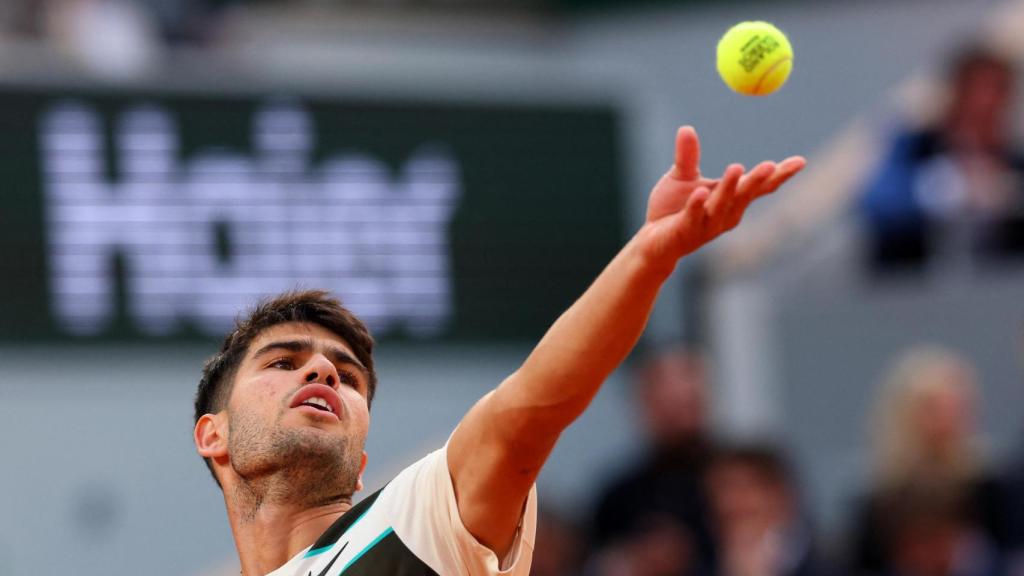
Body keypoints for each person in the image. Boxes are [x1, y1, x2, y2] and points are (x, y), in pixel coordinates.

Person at [191, 126, 805, 576]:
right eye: (281, 362)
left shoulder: (411, 517)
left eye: (349, 378)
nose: (324, 369)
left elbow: (534, 405)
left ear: (361, 459)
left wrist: (650, 256)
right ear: (212, 434)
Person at [860, 44, 1024, 274]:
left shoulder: (1015, 161)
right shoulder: (915, 147)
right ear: (956, 94)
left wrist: (1009, 196)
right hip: (914, 291)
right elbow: (875, 204)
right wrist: (944, 190)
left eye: (999, 91)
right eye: (978, 91)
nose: (987, 103)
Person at [846, 346, 998, 576]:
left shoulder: (990, 487)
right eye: (934, 408)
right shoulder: (878, 500)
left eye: (955, 407)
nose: (946, 420)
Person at [590, 346, 716, 574]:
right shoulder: (619, 497)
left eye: (687, 400)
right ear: (644, 402)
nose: (679, 414)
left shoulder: (738, 484)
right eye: (668, 400)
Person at [705, 444, 832, 576]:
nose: (730, 501)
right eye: (720, 490)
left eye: (745, 488)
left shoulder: (828, 567)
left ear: (781, 495)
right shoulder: (697, 565)